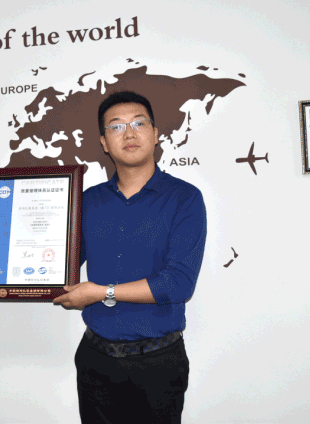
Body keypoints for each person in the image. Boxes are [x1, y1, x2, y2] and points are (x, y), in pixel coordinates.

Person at [54, 91, 206, 424]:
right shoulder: (87, 201)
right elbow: (59, 269)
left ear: (155, 134)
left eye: (139, 123)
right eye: (116, 126)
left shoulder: (185, 198)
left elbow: (178, 284)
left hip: (158, 364)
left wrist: (101, 292)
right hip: (95, 360)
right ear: (104, 143)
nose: (129, 133)